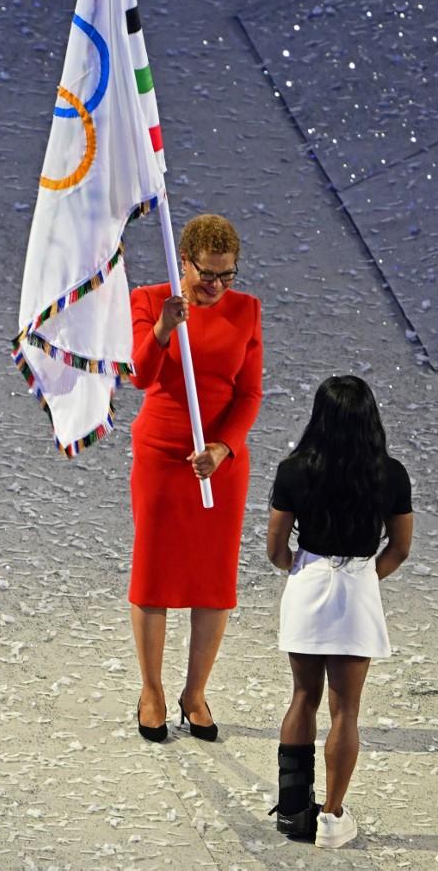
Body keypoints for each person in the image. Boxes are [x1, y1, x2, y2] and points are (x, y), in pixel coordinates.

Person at [128, 214, 263, 743]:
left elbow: (249, 394)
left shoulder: (247, 310)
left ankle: (195, 693)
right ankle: (152, 692)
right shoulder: (150, 299)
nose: (216, 286)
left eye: (227, 275)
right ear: (183, 261)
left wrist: (224, 447)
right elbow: (138, 375)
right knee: (155, 574)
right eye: (208, 274)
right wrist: (164, 327)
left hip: (221, 463)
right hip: (163, 454)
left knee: (213, 582)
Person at [266, 375, 413, 848]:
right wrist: (366, 578)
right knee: (345, 709)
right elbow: (400, 548)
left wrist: (302, 570)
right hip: (357, 592)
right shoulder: (390, 474)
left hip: (308, 588)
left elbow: (275, 548)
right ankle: (331, 816)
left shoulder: (293, 470)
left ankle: (292, 812)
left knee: (302, 697)